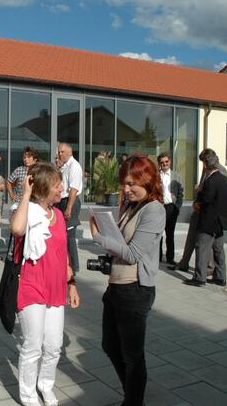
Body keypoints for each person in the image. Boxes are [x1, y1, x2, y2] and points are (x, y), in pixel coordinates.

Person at [89, 154, 165, 406]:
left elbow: (132, 254)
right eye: (125, 183)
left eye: (132, 183)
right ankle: (132, 395)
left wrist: (98, 237)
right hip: (117, 286)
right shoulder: (133, 206)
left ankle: (133, 401)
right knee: (110, 346)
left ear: (148, 180)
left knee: (132, 355)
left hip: (135, 290)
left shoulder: (154, 210)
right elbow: (121, 244)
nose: (127, 188)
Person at [9, 162, 80, 406]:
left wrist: (71, 283)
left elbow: (64, 253)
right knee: (33, 345)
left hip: (56, 286)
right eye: (56, 185)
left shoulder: (58, 215)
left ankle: (45, 384)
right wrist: (25, 194)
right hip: (31, 285)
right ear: (41, 188)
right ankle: (28, 395)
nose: (62, 188)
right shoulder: (25, 211)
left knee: (54, 346)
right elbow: (17, 229)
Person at [170, 148, 227, 272]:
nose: (203, 164)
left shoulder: (220, 171)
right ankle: (184, 263)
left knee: (207, 243)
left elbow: (216, 192)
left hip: (209, 212)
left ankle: (208, 268)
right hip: (198, 209)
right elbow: (205, 186)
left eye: (204, 161)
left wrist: (201, 194)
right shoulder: (205, 169)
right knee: (191, 237)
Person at [184, 149, 227, 287]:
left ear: (206, 164)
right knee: (219, 250)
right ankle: (220, 277)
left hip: (208, 221)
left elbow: (206, 200)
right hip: (220, 222)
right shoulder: (225, 180)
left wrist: (197, 203)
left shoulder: (211, 181)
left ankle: (199, 278)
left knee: (202, 248)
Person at [56, 142, 83, 272]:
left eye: (62, 152)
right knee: (62, 236)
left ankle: (74, 267)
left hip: (70, 201)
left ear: (70, 152)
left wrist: (69, 208)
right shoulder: (64, 166)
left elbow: (73, 189)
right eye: (59, 152)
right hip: (62, 201)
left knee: (70, 237)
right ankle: (65, 264)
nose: (60, 154)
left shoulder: (74, 166)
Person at [158, 152, 184, 265]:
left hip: (171, 207)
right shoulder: (156, 176)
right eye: (162, 162)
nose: (164, 164)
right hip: (159, 207)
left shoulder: (177, 176)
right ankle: (157, 256)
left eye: (166, 161)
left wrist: (177, 207)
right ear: (159, 164)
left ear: (170, 162)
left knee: (170, 234)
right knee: (158, 234)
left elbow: (181, 194)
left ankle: (170, 258)